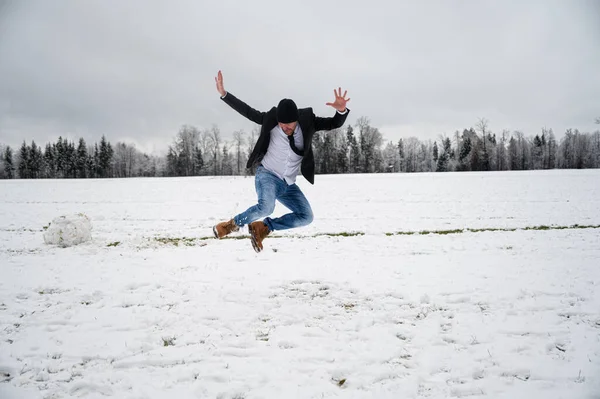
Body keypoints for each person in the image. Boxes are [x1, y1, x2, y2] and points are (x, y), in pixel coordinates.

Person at [212, 70, 350, 253]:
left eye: (289, 125)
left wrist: (341, 110)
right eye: (282, 125)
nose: (285, 128)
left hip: (288, 184)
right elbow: (247, 111)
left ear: (297, 120)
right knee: (267, 206)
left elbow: (334, 123)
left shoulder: (308, 121)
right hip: (267, 175)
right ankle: (231, 225)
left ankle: (265, 228)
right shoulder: (271, 120)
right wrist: (224, 94)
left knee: (306, 216)